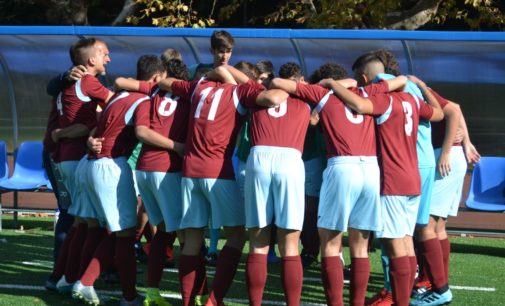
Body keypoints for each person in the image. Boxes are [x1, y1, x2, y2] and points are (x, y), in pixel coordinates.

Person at [271, 61, 406, 306]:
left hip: (342, 166)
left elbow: (279, 83)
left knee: (331, 243)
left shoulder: (322, 93)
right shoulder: (368, 92)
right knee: (361, 245)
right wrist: (346, 83)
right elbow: (402, 79)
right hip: (370, 169)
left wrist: (327, 86)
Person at [156, 64, 288, 306]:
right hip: (218, 171)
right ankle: (214, 300)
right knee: (237, 235)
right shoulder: (240, 92)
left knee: (192, 238)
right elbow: (272, 98)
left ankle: (188, 301)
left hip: (189, 171)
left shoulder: (199, 87)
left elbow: (165, 82)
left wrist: (213, 73)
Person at [327, 53, 444, 306]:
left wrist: (333, 84)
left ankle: (399, 301)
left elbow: (359, 106)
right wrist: (422, 87)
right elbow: (438, 114)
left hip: (393, 179)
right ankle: (405, 298)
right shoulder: (412, 99)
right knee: (405, 241)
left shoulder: (386, 100)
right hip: (413, 177)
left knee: (394, 247)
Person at [71, 55, 167, 306]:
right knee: (124, 234)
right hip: (111, 165)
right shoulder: (144, 100)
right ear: (156, 78)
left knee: (112, 231)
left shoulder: (119, 95)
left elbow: (97, 129)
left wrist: (91, 141)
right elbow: (142, 132)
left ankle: (82, 281)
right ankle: (120, 293)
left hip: (91, 164)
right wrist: (177, 146)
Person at [49, 37, 114, 293]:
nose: (107, 59)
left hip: (69, 157)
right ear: (91, 60)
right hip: (77, 158)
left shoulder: (71, 84)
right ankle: (78, 281)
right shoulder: (88, 81)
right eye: (104, 54)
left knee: (81, 223)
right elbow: (117, 104)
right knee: (91, 223)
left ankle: (63, 277)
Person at [244, 62, 310, 306]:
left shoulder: (259, 96)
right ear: (298, 80)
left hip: (259, 158)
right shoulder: (305, 98)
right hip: (291, 160)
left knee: (259, 243)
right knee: (290, 245)